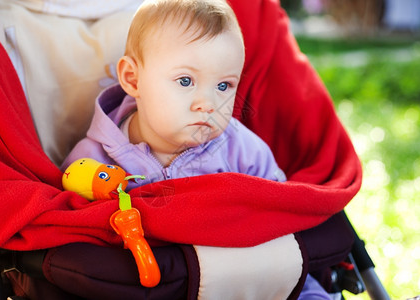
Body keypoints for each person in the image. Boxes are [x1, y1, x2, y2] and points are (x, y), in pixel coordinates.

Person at [62, 0, 332, 298]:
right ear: (132, 78)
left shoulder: (243, 150)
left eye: (223, 86)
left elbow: (282, 227)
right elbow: (73, 238)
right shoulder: (94, 159)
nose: (207, 104)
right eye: (186, 80)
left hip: (238, 281)